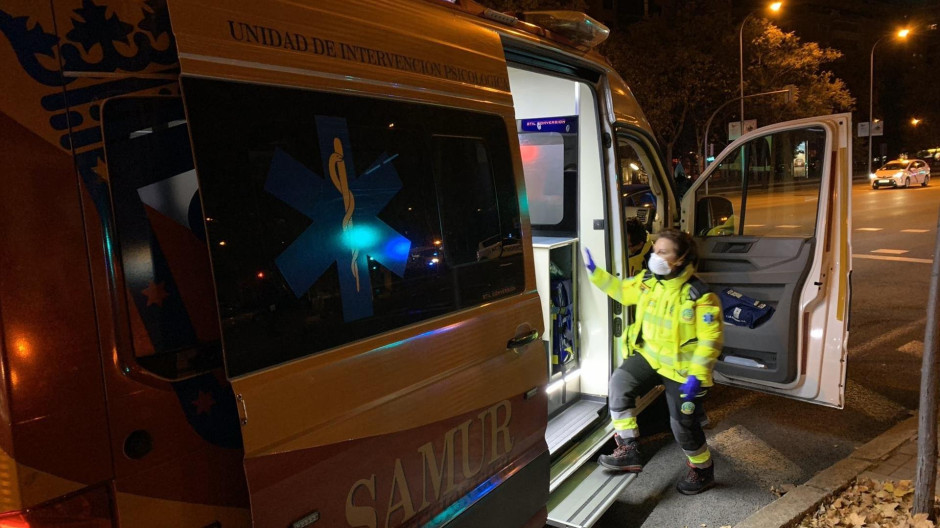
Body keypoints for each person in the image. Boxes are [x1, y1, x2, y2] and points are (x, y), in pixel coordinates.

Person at [583, 228, 723, 495]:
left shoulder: (700, 296)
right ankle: (629, 449)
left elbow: (710, 341)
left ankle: (703, 470)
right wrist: (595, 272)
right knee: (619, 384)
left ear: (680, 258)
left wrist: (697, 375)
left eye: (663, 252)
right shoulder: (649, 281)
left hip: (683, 370)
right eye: (655, 249)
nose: (655, 256)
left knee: (682, 426)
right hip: (651, 356)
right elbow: (622, 292)